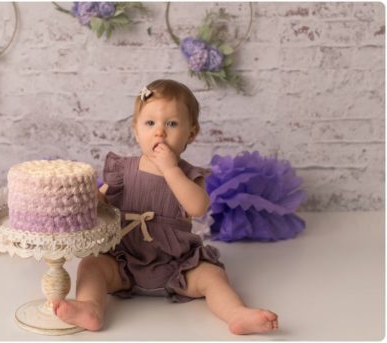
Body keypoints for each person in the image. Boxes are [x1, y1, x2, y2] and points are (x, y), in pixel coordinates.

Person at [55, 79, 278, 335]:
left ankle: (236, 313)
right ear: (136, 130)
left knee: (212, 276)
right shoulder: (122, 171)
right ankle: (90, 307)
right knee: (91, 265)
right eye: (150, 123)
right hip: (124, 262)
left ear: (190, 133)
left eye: (171, 124)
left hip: (178, 265)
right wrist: (89, 197)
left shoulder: (188, 174)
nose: (159, 132)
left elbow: (197, 207)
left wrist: (170, 169)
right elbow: (102, 203)